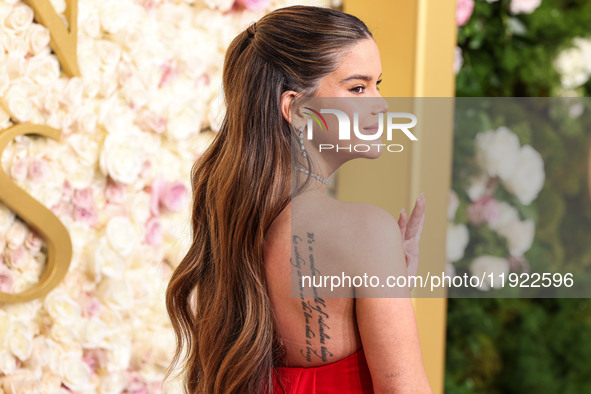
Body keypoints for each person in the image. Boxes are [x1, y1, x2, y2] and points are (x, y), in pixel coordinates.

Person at [166, 5, 432, 393]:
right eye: (358, 87)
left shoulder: (232, 224)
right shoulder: (366, 231)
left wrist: (392, 293)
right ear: (297, 110)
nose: (381, 104)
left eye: (378, 84)